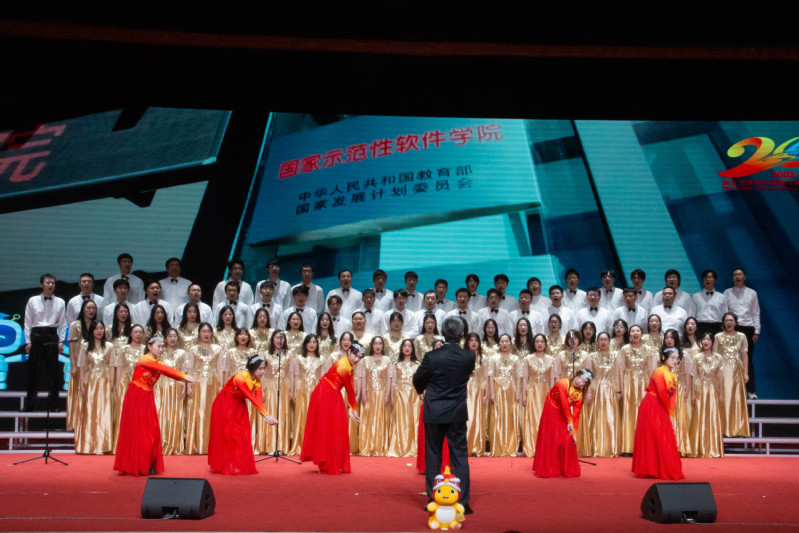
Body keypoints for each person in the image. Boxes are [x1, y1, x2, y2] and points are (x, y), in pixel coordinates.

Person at [413, 317, 475, 515]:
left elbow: (417, 380)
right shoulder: (469, 357)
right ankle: (463, 502)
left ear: (441, 332)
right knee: (459, 455)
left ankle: (434, 498)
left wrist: (424, 389)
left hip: (434, 411)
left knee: (433, 454)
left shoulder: (432, 357)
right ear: (462, 333)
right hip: (457, 412)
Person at [114, 336, 196, 475]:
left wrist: (185, 379)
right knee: (139, 430)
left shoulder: (156, 362)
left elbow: (164, 370)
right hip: (137, 396)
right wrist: (185, 377)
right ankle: (135, 464)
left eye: (162, 346)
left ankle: (147, 462)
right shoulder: (144, 360)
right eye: (158, 346)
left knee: (152, 430)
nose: (161, 349)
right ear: (149, 346)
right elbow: (165, 369)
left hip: (147, 396)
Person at [301, 342, 364, 474]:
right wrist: (352, 409)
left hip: (332, 393)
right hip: (326, 393)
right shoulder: (343, 365)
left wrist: (352, 408)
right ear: (349, 352)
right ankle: (326, 463)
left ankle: (331, 461)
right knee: (328, 428)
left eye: (360, 357)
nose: (357, 359)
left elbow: (350, 387)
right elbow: (349, 389)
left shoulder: (349, 365)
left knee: (336, 428)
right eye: (356, 356)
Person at [208, 355, 278, 474]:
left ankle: (236, 463)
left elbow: (258, 400)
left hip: (239, 405)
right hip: (225, 404)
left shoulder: (257, 382)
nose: (263, 372)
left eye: (264, 369)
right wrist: (266, 416)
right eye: (260, 369)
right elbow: (250, 397)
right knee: (228, 434)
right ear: (253, 367)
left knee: (242, 433)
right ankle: (225, 465)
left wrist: (265, 415)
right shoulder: (240, 377)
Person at [631, 347, 685, 480]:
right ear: (664, 357)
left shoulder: (673, 376)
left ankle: (662, 468)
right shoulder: (658, 372)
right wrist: (668, 412)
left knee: (663, 436)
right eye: (672, 357)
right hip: (652, 404)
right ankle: (650, 468)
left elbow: (672, 396)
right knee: (652, 435)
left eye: (677, 358)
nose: (675, 360)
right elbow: (661, 393)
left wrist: (670, 413)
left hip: (662, 405)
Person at [533, 369, 593, 478]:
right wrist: (569, 421)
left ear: (585, 385)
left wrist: (574, 434)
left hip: (564, 412)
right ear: (575, 375)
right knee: (551, 437)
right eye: (579, 377)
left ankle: (563, 468)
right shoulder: (562, 383)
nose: (579, 381)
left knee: (567, 437)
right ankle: (548, 468)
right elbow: (565, 403)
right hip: (551, 407)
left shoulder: (579, 395)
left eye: (583, 381)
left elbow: (576, 414)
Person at [23, 274, 67, 412]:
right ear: (41, 284)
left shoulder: (60, 302)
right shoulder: (33, 300)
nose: (50, 285)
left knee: (53, 372)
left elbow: (63, 323)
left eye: (53, 283)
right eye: (48, 282)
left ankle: (54, 405)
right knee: (33, 372)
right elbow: (27, 322)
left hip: (52, 335)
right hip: (36, 336)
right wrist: (28, 341)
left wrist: (61, 342)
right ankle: (29, 405)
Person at [183, 323, 225, 455]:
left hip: (213, 383)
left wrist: (222, 384)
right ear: (199, 333)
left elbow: (220, 367)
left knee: (213, 412)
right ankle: (197, 445)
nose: (206, 334)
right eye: (203, 331)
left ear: (212, 333)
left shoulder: (218, 348)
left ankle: (213, 445)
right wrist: (188, 386)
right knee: (197, 411)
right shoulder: (193, 349)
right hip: (197, 383)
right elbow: (189, 368)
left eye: (208, 331)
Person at [74, 321, 115, 454]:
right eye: (96, 329)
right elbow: (82, 366)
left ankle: (104, 445)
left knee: (105, 411)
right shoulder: (85, 346)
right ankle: (89, 445)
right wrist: (81, 385)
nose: (99, 331)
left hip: (105, 381)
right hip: (90, 382)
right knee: (90, 411)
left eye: (101, 328)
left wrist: (112, 384)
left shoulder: (109, 346)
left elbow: (112, 366)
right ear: (92, 331)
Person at [618, 324, 656, 455]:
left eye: (637, 331)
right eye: (633, 331)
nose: (635, 333)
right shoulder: (624, 349)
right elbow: (620, 370)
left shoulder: (648, 349)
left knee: (645, 414)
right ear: (629, 334)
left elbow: (652, 370)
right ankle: (629, 447)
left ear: (641, 334)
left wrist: (653, 389)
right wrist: (620, 388)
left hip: (644, 383)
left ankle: (646, 445)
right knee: (629, 412)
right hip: (629, 383)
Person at [519, 333, 559, 457]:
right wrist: (524, 394)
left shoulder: (551, 359)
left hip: (546, 392)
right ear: (534, 343)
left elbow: (553, 379)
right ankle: (532, 447)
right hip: (532, 392)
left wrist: (554, 395)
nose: (539, 344)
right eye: (537, 341)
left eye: (542, 341)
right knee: (533, 419)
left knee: (546, 420)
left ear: (545, 344)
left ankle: (546, 448)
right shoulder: (528, 359)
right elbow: (525, 378)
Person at [723, 268, 760, 399]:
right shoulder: (727, 293)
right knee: (731, 359)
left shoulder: (752, 293)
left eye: (739, 274)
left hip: (748, 328)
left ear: (745, 277)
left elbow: (755, 312)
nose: (737, 277)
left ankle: (750, 390)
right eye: (734, 275)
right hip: (732, 328)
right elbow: (725, 313)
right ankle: (732, 390)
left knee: (747, 359)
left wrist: (757, 331)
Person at [713, 312, 750, 437]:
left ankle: (738, 429)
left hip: (737, 371)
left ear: (736, 322)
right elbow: (715, 356)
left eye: (731, 320)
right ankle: (724, 428)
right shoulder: (718, 336)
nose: (729, 323)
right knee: (725, 397)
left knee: (737, 398)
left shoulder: (742, 336)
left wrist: (746, 373)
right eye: (726, 320)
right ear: (723, 323)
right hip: (722, 371)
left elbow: (744, 355)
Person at [288, 334, 325, 456]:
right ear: (305, 344)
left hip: (317, 391)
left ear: (317, 344)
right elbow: (297, 376)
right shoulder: (299, 358)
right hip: (302, 391)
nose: (312, 344)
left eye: (314, 342)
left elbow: (323, 378)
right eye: (309, 342)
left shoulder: (322, 359)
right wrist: (294, 391)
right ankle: (302, 445)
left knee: (317, 418)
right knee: (302, 416)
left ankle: (316, 447)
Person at [689, 333, 725, 458]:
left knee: (713, 416)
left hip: (713, 390)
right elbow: (693, 376)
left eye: (708, 339)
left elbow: (720, 377)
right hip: (699, 389)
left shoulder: (718, 357)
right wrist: (692, 393)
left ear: (712, 342)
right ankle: (699, 448)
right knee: (699, 416)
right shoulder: (696, 357)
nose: (705, 341)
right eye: (703, 339)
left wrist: (721, 394)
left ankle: (713, 448)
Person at [356, 335, 393, 456]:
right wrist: (363, 394)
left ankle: (380, 447)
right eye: (375, 343)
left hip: (382, 394)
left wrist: (387, 395)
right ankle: (367, 446)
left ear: (383, 346)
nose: (378, 346)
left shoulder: (387, 360)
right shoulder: (365, 360)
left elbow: (389, 379)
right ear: (372, 346)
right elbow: (363, 378)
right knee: (368, 419)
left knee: (382, 419)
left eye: (380, 343)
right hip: (369, 394)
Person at [588, 332, 622, 457]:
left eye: (605, 339)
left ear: (609, 341)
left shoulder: (616, 355)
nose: (603, 342)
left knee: (610, 418)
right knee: (596, 419)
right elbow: (589, 375)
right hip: (596, 390)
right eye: (601, 340)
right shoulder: (591, 356)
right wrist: (589, 391)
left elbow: (618, 373)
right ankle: (595, 448)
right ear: (597, 342)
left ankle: (612, 447)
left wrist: (618, 390)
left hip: (610, 390)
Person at [66, 299, 97, 430]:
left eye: (93, 308)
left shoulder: (96, 325)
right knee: (78, 392)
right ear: (83, 309)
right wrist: (73, 365)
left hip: (92, 365)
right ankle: (75, 423)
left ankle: (89, 422)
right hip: (79, 364)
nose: (91, 311)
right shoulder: (75, 325)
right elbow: (72, 345)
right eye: (88, 308)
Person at [388, 339, 421, 457]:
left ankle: (414, 447)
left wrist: (421, 396)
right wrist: (393, 395)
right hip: (400, 395)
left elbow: (420, 381)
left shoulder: (417, 364)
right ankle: (400, 447)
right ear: (401, 348)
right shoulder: (396, 364)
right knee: (401, 420)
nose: (407, 348)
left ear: (413, 349)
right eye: (405, 346)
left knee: (414, 420)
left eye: (409, 346)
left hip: (414, 395)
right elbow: (393, 382)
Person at [156, 328, 187, 455]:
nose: (172, 339)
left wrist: (184, 387)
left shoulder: (182, 353)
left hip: (176, 387)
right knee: (160, 413)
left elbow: (184, 372)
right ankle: (160, 444)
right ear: (165, 338)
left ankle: (174, 444)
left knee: (176, 414)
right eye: (170, 336)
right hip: (161, 386)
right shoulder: (159, 352)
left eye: (175, 336)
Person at [464, 333, 488, 456]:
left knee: (478, 418)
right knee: (467, 419)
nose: (473, 342)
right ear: (467, 342)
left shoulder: (484, 359)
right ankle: (465, 446)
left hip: (479, 391)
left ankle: (476, 447)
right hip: (466, 391)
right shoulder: (463, 356)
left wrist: (486, 394)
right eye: (471, 340)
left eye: (476, 340)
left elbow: (486, 378)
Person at [692, 269, 727, 338]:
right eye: (705, 277)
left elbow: (724, 314)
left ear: (715, 280)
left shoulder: (721, 297)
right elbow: (692, 314)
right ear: (703, 280)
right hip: (700, 326)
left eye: (710, 277)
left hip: (717, 327)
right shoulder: (696, 296)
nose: (708, 279)